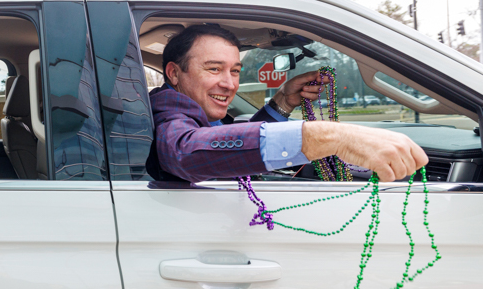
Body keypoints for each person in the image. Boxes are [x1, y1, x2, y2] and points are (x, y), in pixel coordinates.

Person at [149, 24, 428, 183]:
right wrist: (330, 137)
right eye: (213, 69)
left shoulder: (192, 106)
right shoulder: (166, 110)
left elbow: (230, 149)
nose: (229, 83)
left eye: (234, 70)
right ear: (174, 73)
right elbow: (184, 150)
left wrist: (283, 101)